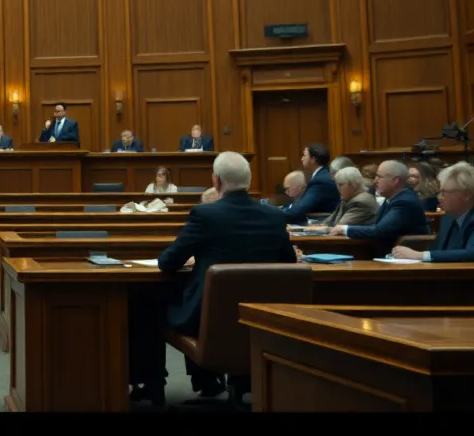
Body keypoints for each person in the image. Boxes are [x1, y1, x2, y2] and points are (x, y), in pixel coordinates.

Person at [132, 152, 295, 403]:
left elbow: (168, 262)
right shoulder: (275, 217)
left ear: (216, 181)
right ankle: (232, 381)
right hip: (261, 319)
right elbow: (289, 263)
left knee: (146, 301)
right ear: (249, 181)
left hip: (208, 320)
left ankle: (152, 386)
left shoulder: (205, 215)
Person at [390, 162, 474, 262]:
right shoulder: (449, 217)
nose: (439, 197)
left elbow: (473, 254)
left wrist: (419, 255)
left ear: (466, 195)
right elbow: (438, 249)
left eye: (444, 192)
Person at [324, 159, 429, 248]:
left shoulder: (404, 202)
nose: (375, 181)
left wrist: (345, 229)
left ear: (395, 180)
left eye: (379, 176)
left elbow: (379, 231)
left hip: (402, 259)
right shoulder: (393, 198)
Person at [281, 143, 339, 223]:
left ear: (313, 159)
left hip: (323, 224)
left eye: (304, 155)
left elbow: (301, 208)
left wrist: (276, 215)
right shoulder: (323, 174)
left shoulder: (320, 181)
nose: (302, 159)